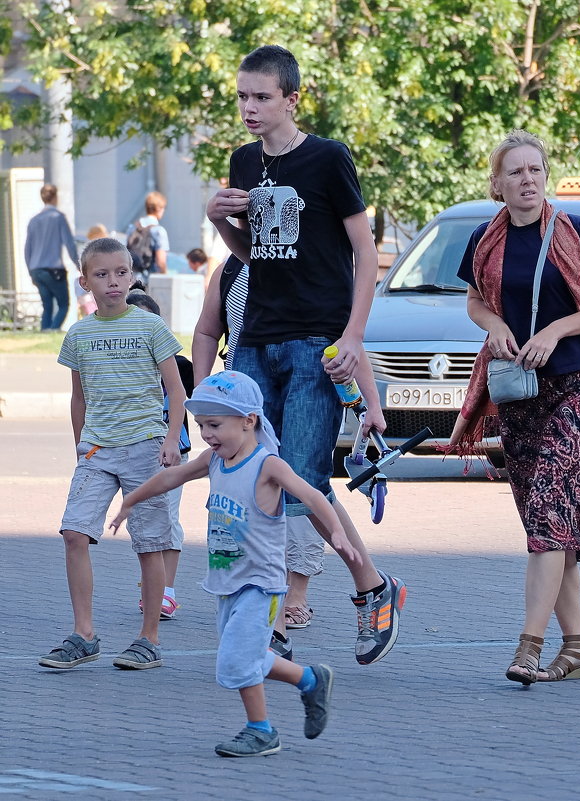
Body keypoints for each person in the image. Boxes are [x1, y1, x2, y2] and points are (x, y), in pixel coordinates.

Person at [204, 44, 402, 664]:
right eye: (242, 96)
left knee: (303, 483)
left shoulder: (327, 159)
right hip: (255, 339)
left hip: (317, 341)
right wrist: (217, 220)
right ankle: (272, 612)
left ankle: (373, 587)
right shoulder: (243, 161)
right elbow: (252, 252)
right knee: (249, 475)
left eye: (261, 97)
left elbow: (366, 254)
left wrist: (353, 335)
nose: (249, 108)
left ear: (292, 98)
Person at [446, 130, 580, 685]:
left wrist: (555, 330)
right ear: (497, 183)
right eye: (516, 172)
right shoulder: (485, 239)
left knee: (549, 505)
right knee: (547, 521)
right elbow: (476, 300)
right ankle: (578, 647)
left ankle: (529, 646)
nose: (528, 180)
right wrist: (495, 326)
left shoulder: (576, 232)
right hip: (517, 390)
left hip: (575, 381)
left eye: (536, 170)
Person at [110, 371, 350, 757]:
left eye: (215, 425)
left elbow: (313, 494)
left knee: (237, 658)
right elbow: (172, 476)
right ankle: (310, 679)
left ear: (248, 420)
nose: (207, 434)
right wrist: (130, 500)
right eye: (202, 425)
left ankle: (262, 731)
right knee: (250, 653)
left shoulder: (267, 464)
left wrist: (336, 532)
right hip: (227, 583)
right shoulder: (215, 461)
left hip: (262, 584)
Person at [192, 254, 363, 661]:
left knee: (301, 487)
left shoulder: (310, 264)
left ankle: (323, 590)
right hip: (240, 407)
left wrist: (367, 403)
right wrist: (206, 400)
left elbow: (345, 343)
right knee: (255, 501)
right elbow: (206, 331)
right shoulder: (230, 270)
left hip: (299, 386)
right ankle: (275, 626)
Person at [38, 237, 185, 672]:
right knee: (74, 533)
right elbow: (77, 398)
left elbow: (176, 390)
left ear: (132, 276)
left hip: (145, 448)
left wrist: (172, 440)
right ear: (85, 282)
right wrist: (79, 446)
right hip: (98, 451)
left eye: (121, 273)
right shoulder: (79, 334)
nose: (113, 282)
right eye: (102, 275)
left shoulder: (150, 327)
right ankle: (84, 634)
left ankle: (149, 638)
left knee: (150, 543)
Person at [126, 287, 194, 619]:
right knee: (144, 521)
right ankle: (151, 586)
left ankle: (166, 591)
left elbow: (192, 402)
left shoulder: (179, 365)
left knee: (168, 519)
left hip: (172, 454)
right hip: (133, 451)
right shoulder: (121, 368)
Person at [24, 184, 79, 331]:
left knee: (47, 306)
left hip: (36, 268)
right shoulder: (58, 217)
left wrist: (31, 271)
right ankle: (53, 331)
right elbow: (69, 244)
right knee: (63, 304)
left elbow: (27, 249)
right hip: (53, 269)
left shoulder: (33, 220)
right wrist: (79, 264)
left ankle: (44, 331)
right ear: (55, 197)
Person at [126, 191, 170, 285]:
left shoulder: (132, 228)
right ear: (159, 208)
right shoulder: (158, 231)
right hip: (149, 280)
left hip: (132, 279)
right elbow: (161, 262)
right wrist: (165, 276)